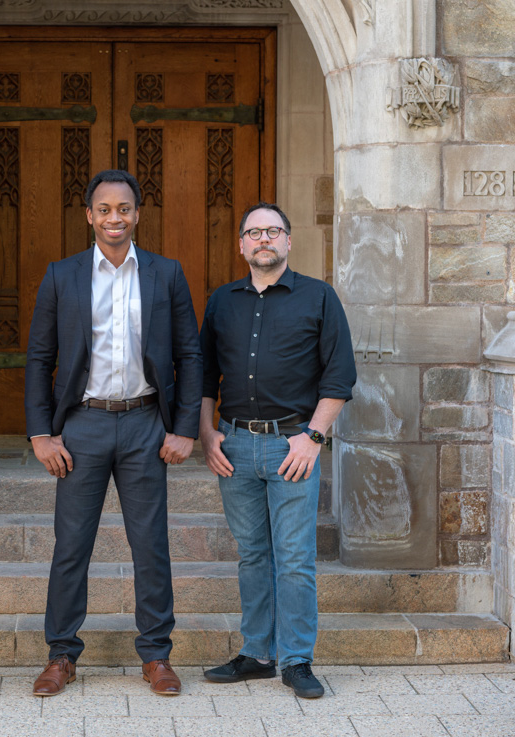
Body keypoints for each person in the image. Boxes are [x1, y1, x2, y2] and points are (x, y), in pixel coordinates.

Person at [25, 169, 202, 697]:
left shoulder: (166, 275)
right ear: (89, 216)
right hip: (83, 425)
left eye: (123, 208)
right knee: (71, 544)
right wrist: (40, 433)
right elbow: (39, 358)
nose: (114, 218)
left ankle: (156, 655)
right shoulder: (63, 275)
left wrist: (185, 427)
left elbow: (190, 354)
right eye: (104, 209)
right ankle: (61, 655)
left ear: (138, 214)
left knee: (150, 544)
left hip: (147, 422)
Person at [199, 203, 356, 699]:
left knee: (293, 558)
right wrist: (207, 434)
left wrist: (313, 438)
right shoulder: (222, 301)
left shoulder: (319, 297)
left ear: (288, 241)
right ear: (242, 245)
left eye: (273, 231)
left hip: (293, 446)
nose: (263, 239)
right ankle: (257, 654)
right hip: (235, 445)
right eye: (253, 232)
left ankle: (296, 660)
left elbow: (339, 377)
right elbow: (204, 377)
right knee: (252, 556)